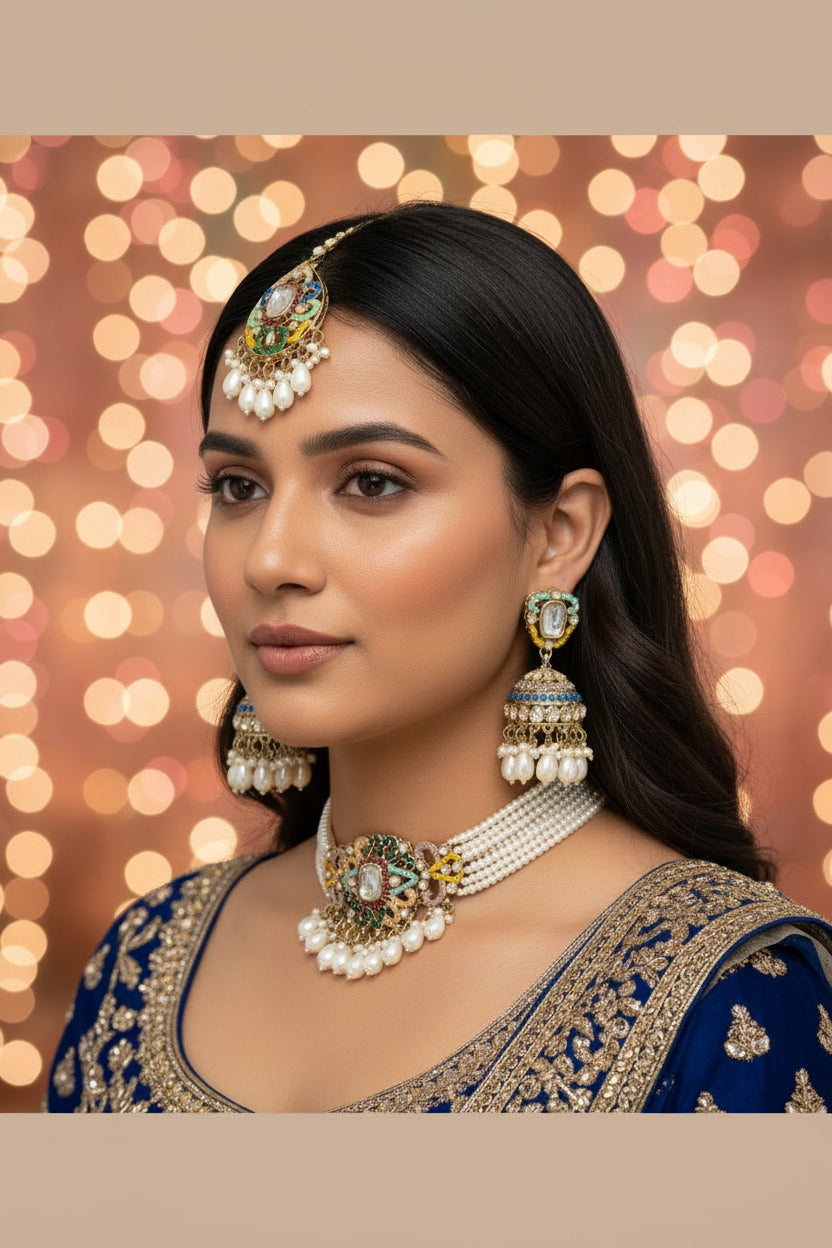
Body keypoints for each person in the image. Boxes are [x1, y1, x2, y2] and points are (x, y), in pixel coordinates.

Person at [45, 202, 832, 1113]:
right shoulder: (147, 962)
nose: (269, 559)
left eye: (371, 483)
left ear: (557, 535)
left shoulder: (722, 989)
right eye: (237, 486)